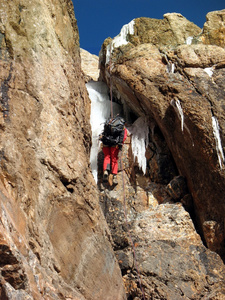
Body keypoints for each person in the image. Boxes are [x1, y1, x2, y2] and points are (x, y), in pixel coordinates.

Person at [100, 116, 127, 185]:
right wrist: (120, 144)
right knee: (114, 159)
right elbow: (123, 136)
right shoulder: (122, 127)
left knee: (107, 157)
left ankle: (106, 171)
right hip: (114, 144)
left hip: (106, 142)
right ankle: (114, 176)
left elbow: (104, 132)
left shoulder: (109, 123)